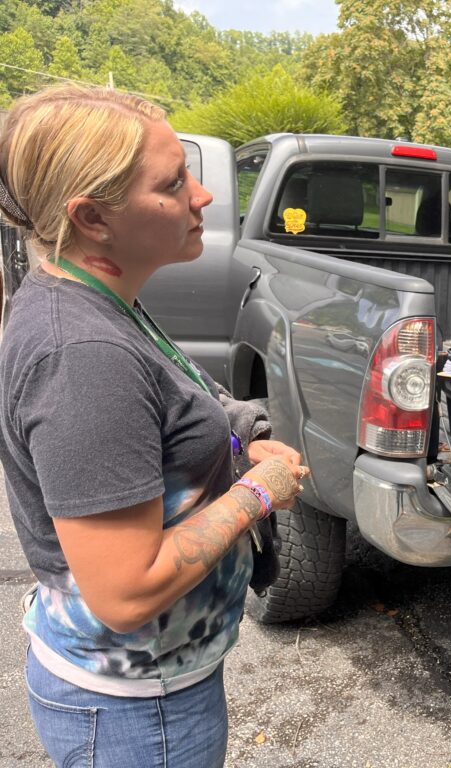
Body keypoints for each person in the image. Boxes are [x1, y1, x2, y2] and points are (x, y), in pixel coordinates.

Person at [0, 84, 309, 767]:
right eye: (173, 184)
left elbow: (168, 400)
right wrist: (260, 491)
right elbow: (125, 589)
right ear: (91, 218)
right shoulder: (83, 356)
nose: (202, 197)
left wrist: (244, 437)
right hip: (137, 715)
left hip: (156, 693)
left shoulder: (99, 300)